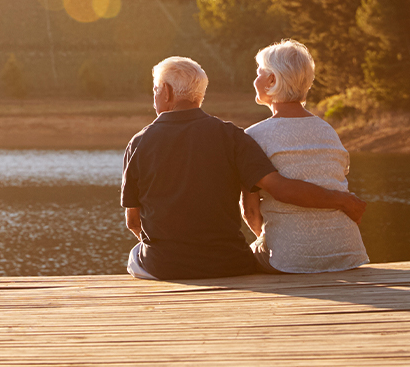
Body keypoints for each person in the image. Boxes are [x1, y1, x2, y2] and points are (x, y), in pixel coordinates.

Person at [122, 56, 365, 280]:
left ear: (166, 92)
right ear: (199, 95)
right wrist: (342, 200)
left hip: (165, 266)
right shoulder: (233, 136)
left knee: (135, 255)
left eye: (155, 90)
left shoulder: (138, 143)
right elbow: (276, 188)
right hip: (229, 263)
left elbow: (133, 222)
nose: (154, 96)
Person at [242, 40, 370, 274]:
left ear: (272, 80)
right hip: (347, 254)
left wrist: (273, 242)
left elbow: (250, 213)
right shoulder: (327, 130)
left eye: (259, 73)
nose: (255, 80)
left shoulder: (253, 136)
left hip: (289, 260)